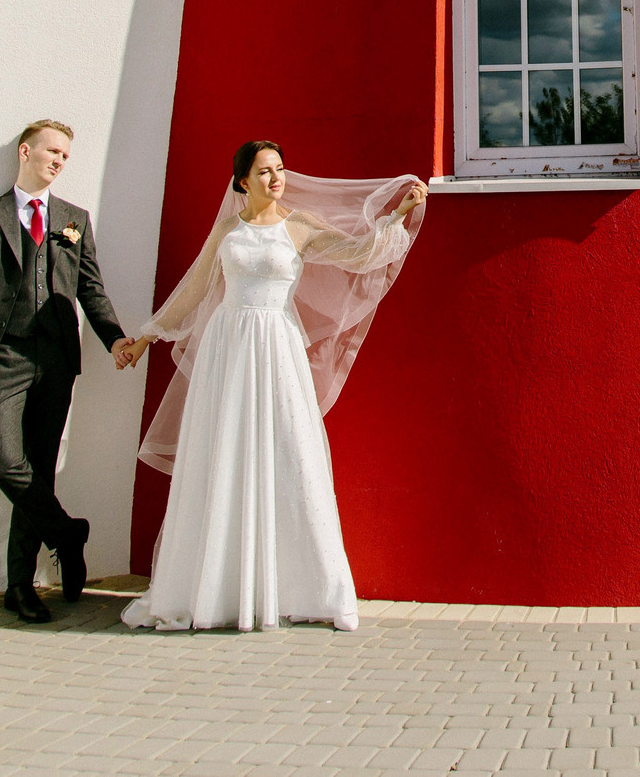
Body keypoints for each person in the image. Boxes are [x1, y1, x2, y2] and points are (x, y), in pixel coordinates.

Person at [124, 140, 428, 632]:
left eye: (281, 169)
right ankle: (214, 590)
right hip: (228, 348)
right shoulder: (228, 230)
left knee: (291, 453)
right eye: (264, 171)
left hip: (277, 345)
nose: (276, 178)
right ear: (242, 181)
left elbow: (357, 254)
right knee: (224, 454)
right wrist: (145, 337)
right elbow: (195, 289)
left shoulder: (300, 226)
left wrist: (398, 215)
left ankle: (314, 590)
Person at [0, 119, 144, 623]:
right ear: (25, 152)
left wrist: (115, 340)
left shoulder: (72, 219)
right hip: (4, 359)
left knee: (37, 468)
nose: (58, 160)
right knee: (3, 461)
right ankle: (66, 533)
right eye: (51, 151)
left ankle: (20, 586)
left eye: (65, 155)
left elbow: (91, 290)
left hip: (57, 360)